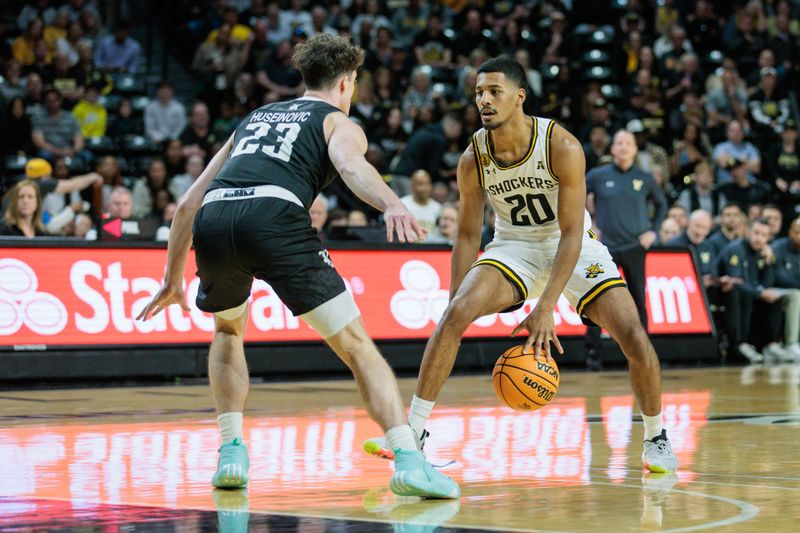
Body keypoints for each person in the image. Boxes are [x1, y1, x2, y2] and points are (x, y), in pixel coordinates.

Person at [136, 34, 458, 499]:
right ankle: (409, 460)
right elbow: (351, 168)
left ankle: (231, 452)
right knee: (357, 347)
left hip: (216, 215)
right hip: (273, 216)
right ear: (347, 82)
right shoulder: (337, 121)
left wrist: (171, 279)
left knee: (228, 331)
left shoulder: (254, 118)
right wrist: (391, 203)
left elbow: (187, 202)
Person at [365, 57, 679, 473]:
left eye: (495, 91)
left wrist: (546, 305)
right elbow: (465, 235)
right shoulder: (473, 156)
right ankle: (413, 435)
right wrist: (454, 296)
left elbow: (570, 234)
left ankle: (655, 436)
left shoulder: (560, 145)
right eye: (479, 93)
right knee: (454, 315)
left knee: (633, 335)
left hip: (572, 245)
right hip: (514, 246)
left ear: (519, 96)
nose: (484, 100)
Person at [583, 129, 667, 369]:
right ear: (612, 149)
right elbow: (575, 198)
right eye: (619, 143)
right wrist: (589, 228)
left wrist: (654, 231)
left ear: (635, 149)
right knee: (596, 299)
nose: (623, 147)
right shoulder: (597, 175)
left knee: (638, 300)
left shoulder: (645, 177)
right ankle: (593, 355)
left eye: (628, 143)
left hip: (634, 247)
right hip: (604, 248)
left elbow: (661, 205)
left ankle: (643, 353)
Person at [400, 170, 441, 241]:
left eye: (427, 184)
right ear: (412, 186)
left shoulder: (438, 208)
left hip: (432, 248)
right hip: (407, 247)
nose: (424, 188)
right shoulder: (402, 204)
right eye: (420, 184)